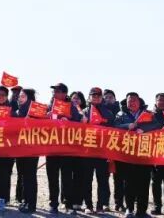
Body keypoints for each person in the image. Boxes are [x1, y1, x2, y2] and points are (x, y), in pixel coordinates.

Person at [114, 92, 164, 218]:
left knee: (144, 183)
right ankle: (129, 209)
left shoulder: (147, 114)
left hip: (144, 153)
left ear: (139, 101)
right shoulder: (120, 114)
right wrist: (127, 126)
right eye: (129, 101)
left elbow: (157, 125)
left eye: (134, 100)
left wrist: (144, 129)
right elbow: (114, 127)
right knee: (128, 183)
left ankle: (141, 211)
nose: (131, 103)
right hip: (127, 154)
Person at [46, 82, 81, 213]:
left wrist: (69, 121)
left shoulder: (72, 106)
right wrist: (46, 116)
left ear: (64, 93)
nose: (54, 93)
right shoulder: (49, 105)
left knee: (66, 178)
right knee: (52, 177)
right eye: (54, 91)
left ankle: (68, 204)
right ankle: (53, 203)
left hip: (66, 148)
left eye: (57, 91)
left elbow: (79, 122)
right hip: (51, 147)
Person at [80, 87, 116, 213]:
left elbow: (113, 132)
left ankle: (101, 205)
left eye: (98, 96)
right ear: (89, 97)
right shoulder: (83, 112)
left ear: (101, 98)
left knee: (103, 180)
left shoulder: (108, 113)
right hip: (87, 152)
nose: (95, 98)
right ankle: (88, 205)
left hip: (102, 152)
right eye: (93, 96)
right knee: (86, 180)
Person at [11, 88, 39, 213]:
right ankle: (25, 200)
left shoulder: (35, 112)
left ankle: (31, 204)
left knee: (30, 176)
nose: (20, 98)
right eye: (19, 96)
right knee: (22, 175)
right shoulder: (18, 111)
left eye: (23, 96)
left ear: (29, 98)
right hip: (19, 148)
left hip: (31, 149)